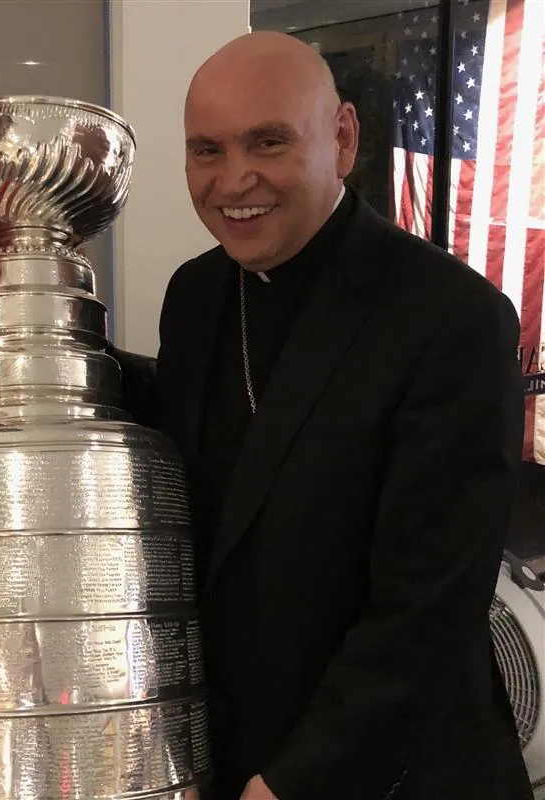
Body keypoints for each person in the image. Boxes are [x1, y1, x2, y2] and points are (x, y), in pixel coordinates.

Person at [111, 31, 534, 800]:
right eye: (207, 150)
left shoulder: (452, 317)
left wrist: (296, 782)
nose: (234, 180)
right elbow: (200, 448)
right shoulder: (197, 295)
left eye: (268, 142)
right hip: (233, 749)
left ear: (342, 139)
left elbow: (430, 606)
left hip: (387, 767)